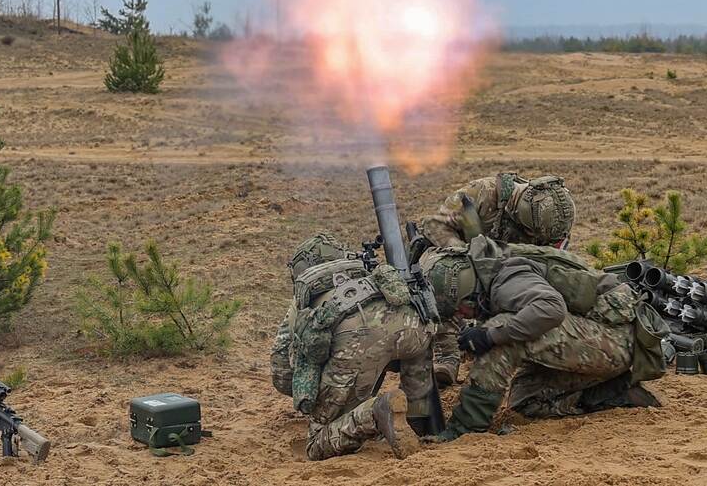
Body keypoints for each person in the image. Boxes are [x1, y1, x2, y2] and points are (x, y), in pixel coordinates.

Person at [419, 236, 667, 442]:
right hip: (602, 337)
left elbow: (551, 309)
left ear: (466, 292)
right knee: (527, 403)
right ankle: (613, 393)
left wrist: (490, 336)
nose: (461, 315)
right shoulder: (488, 265)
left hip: (616, 339)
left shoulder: (507, 280)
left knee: (501, 332)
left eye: (460, 309)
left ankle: (464, 430)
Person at [270, 233, 437, 460]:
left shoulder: (307, 296)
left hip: (359, 340)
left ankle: (375, 413)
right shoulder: (368, 269)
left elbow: (281, 373)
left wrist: (319, 390)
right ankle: (419, 420)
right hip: (417, 327)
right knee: (405, 349)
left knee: (316, 443)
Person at [417, 173, 577, 388]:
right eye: (529, 231)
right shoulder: (483, 193)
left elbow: (550, 258)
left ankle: (497, 347)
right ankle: (447, 355)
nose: (532, 236)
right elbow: (435, 225)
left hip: (506, 272)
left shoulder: (552, 220)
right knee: (453, 278)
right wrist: (468, 255)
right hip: (465, 264)